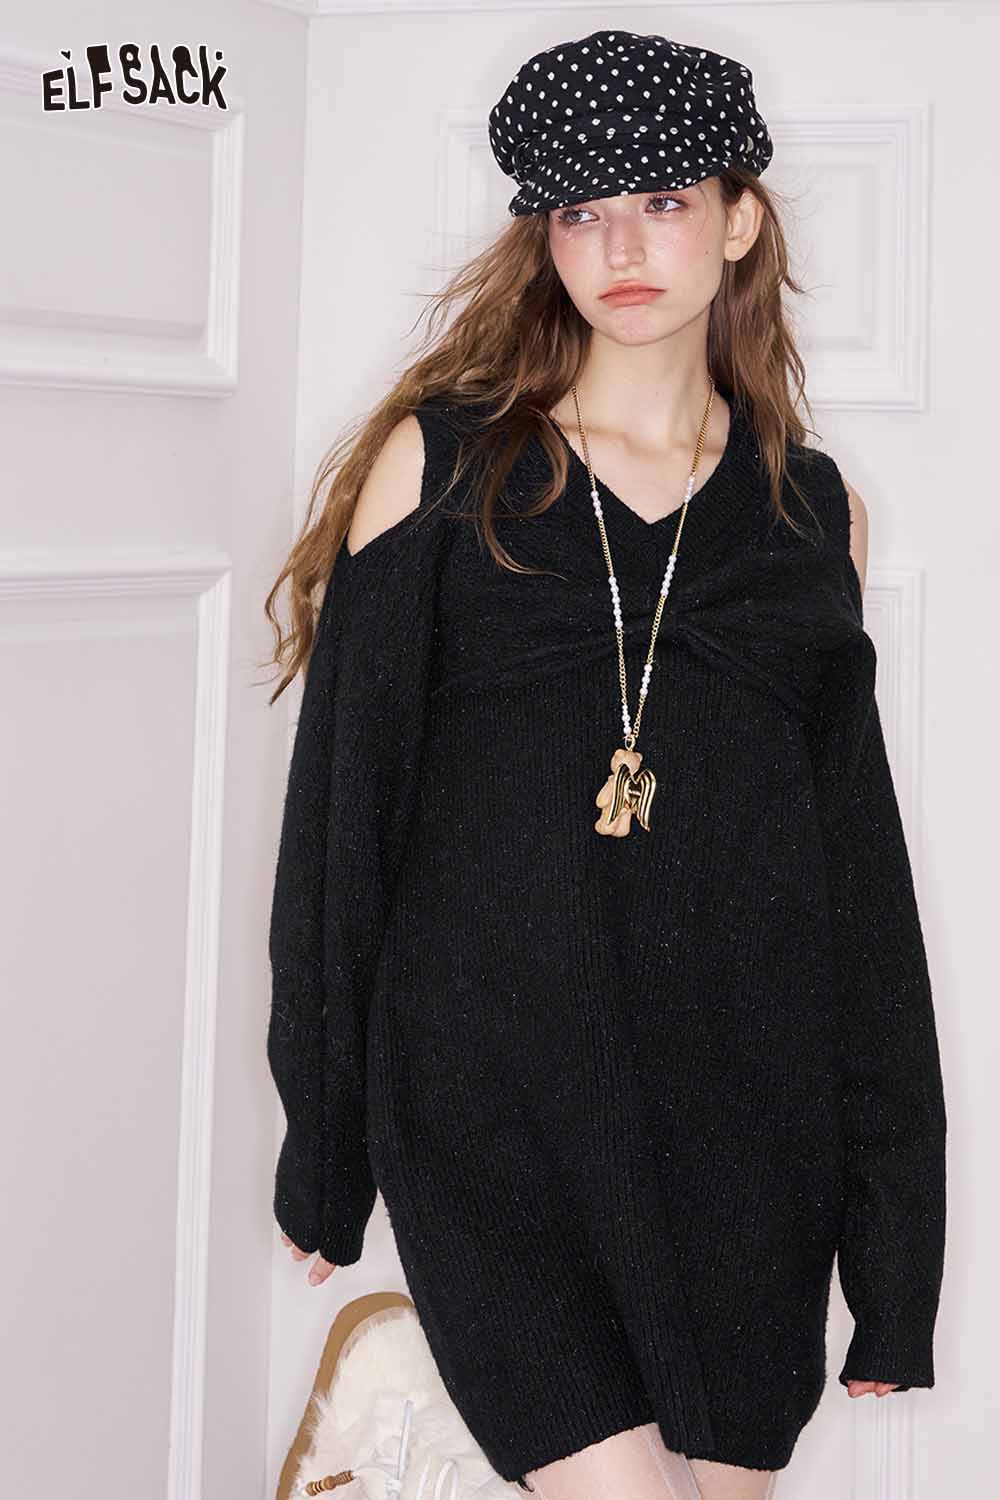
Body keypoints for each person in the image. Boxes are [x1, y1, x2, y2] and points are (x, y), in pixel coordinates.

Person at [262, 29, 947, 1500]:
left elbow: (859, 898)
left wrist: (897, 1259)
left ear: (739, 219)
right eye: (581, 211)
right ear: (544, 233)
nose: (622, 249)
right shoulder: (445, 469)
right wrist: (325, 1138)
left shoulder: (810, 514)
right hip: (492, 1100)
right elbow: (340, 823)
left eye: (664, 202)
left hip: (744, 1125)